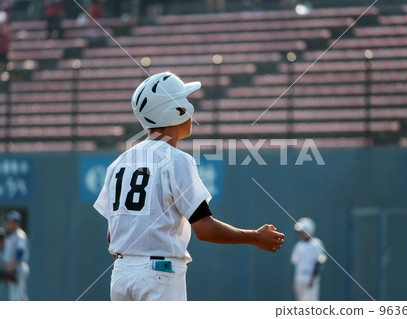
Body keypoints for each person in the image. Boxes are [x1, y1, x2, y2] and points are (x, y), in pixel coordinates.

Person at [94, 72, 285, 301]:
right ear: (174, 111)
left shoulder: (119, 163)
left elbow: (111, 235)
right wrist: (254, 237)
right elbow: (204, 229)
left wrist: (132, 268)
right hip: (159, 274)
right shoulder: (177, 159)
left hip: (120, 275)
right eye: (183, 101)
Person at [290, 217, 326, 301]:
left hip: (309, 277)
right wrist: (294, 280)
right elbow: (295, 263)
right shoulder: (298, 245)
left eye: (302, 231)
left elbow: (319, 261)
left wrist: (313, 278)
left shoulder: (316, 243)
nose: (300, 234)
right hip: (299, 276)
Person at [3, 211, 29, 301]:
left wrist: (11, 266)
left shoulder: (20, 235)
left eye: (10, 222)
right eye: (8, 222)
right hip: (13, 269)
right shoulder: (12, 236)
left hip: (18, 268)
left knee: (18, 296)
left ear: (16, 223)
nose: (8, 224)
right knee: (16, 296)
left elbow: (20, 252)